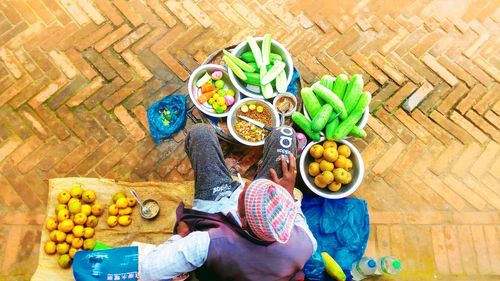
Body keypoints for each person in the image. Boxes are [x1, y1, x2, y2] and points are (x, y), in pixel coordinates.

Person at [139, 124, 317, 281]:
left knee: (200, 133)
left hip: (216, 203)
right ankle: (266, 194)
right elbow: (294, 213)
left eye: (245, 194)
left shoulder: (206, 243)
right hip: (266, 208)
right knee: (284, 134)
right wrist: (287, 194)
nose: (246, 184)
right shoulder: (307, 242)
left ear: (244, 220)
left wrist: (180, 237)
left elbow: (148, 270)